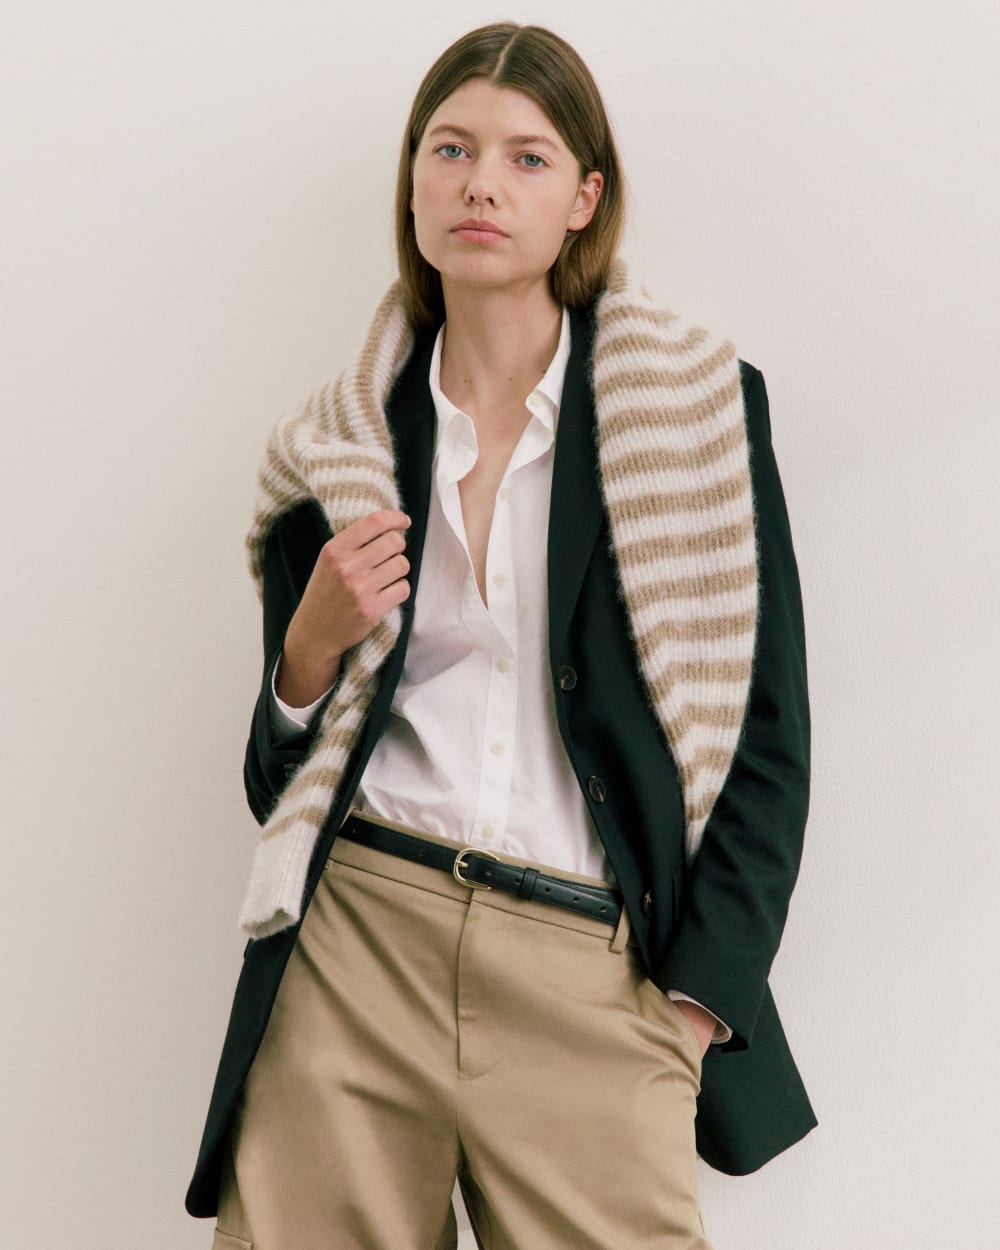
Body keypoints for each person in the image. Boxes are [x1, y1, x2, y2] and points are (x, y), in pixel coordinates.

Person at [186, 21, 815, 1249]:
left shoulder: (697, 413)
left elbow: (766, 744)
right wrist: (307, 648)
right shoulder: (334, 449)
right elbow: (278, 779)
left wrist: (690, 1010)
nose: (481, 182)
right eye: (451, 148)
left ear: (584, 198)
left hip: (591, 974)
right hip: (357, 948)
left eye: (527, 158)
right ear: (413, 184)